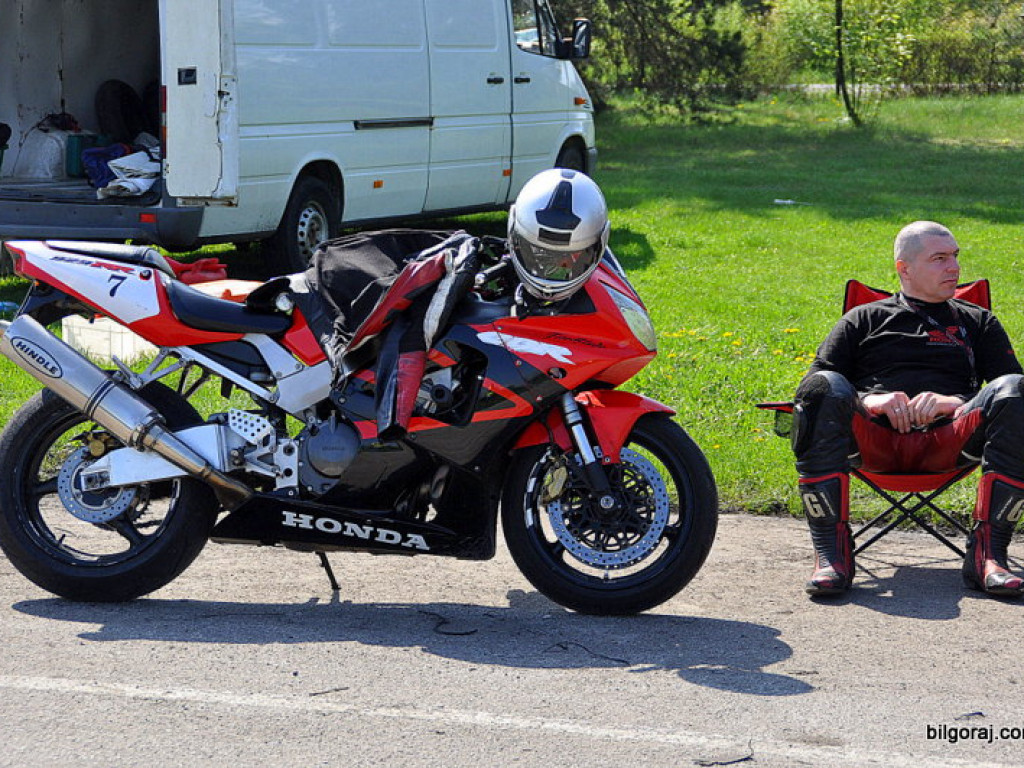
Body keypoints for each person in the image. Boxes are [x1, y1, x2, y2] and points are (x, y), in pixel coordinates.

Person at [792, 221, 1024, 598]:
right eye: (939, 258)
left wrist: (955, 403)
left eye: (955, 257)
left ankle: (990, 554)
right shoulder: (863, 319)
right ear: (905, 268)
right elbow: (811, 385)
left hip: (950, 441)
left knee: (1015, 391)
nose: (954, 267)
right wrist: (870, 401)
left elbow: (1011, 388)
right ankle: (831, 554)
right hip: (874, 440)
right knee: (823, 388)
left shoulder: (977, 321)